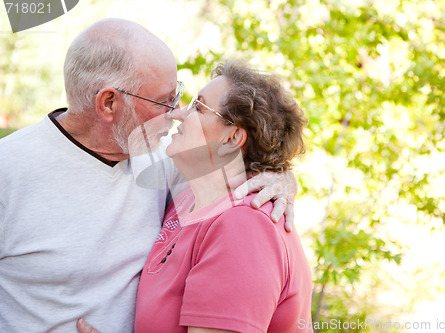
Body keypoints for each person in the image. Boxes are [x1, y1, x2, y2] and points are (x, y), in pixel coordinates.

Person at [0, 19, 297, 333]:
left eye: (180, 95)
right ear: (109, 103)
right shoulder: (10, 169)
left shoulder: (164, 157)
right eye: (165, 101)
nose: (177, 111)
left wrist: (281, 178)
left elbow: (244, 158)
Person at [78, 60, 312, 332]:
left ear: (231, 138)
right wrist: (283, 174)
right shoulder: (189, 195)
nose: (176, 115)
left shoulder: (244, 227)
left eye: (198, 107)